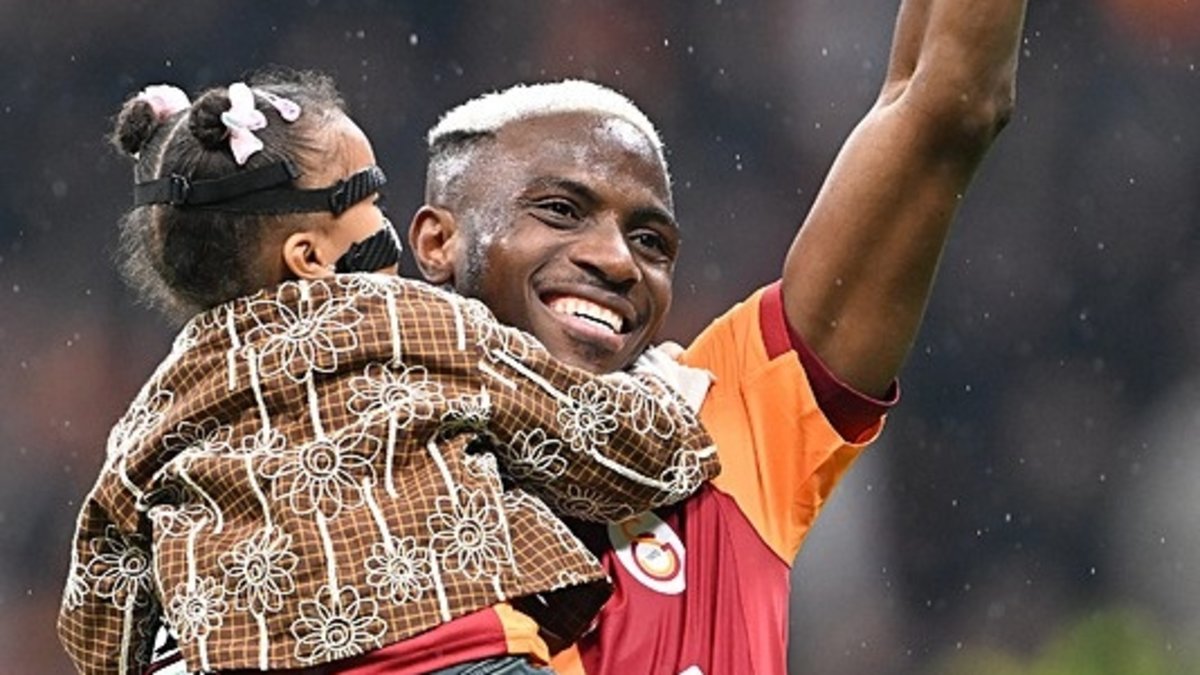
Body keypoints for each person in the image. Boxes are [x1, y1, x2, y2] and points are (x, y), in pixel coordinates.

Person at [405, 0, 1029, 673]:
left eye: (650, 241)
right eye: (561, 210)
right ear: (440, 242)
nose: (617, 260)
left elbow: (948, 103)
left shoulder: (721, 431)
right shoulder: (355, 488)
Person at [57, 70, 720, 675]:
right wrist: (666, 398)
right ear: (310, 256)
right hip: (453, 657)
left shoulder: (159, 407)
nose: (387, 219)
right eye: (369, 198)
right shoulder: (409, 322)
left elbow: (101, 601)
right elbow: (584, 431)